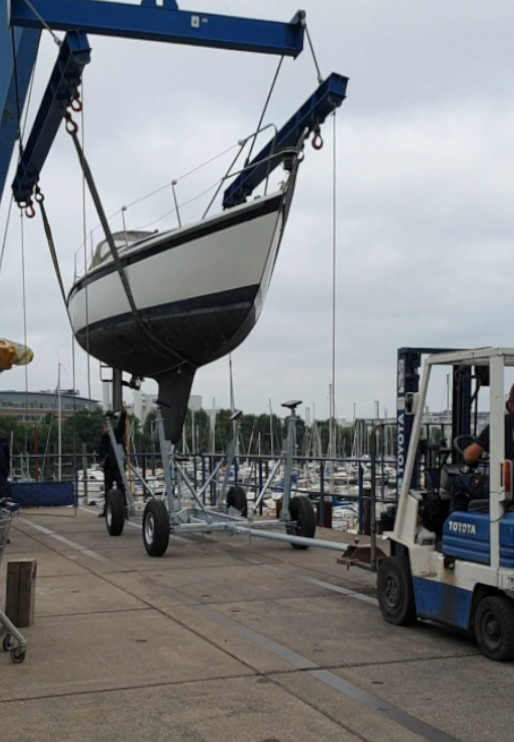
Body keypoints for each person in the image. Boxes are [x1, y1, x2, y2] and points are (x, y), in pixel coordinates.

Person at [450, 385, 514, 511]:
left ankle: (455, 525)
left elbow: (469, 455)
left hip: (508, 486)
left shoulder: (502, 423)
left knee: (458, 483)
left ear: (511, 401)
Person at [97, 403, 127, 517]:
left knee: (121, 487)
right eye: (104, 427)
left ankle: (123, 508)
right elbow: (101, 451)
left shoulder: (116, 435)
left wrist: (123, 415)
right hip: (108, 466)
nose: (105, 429)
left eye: (106, 426)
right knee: (108, 489)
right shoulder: (104, 439)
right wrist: (101, 461)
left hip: (117, 465)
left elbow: (121, 427)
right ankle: (107, 510)